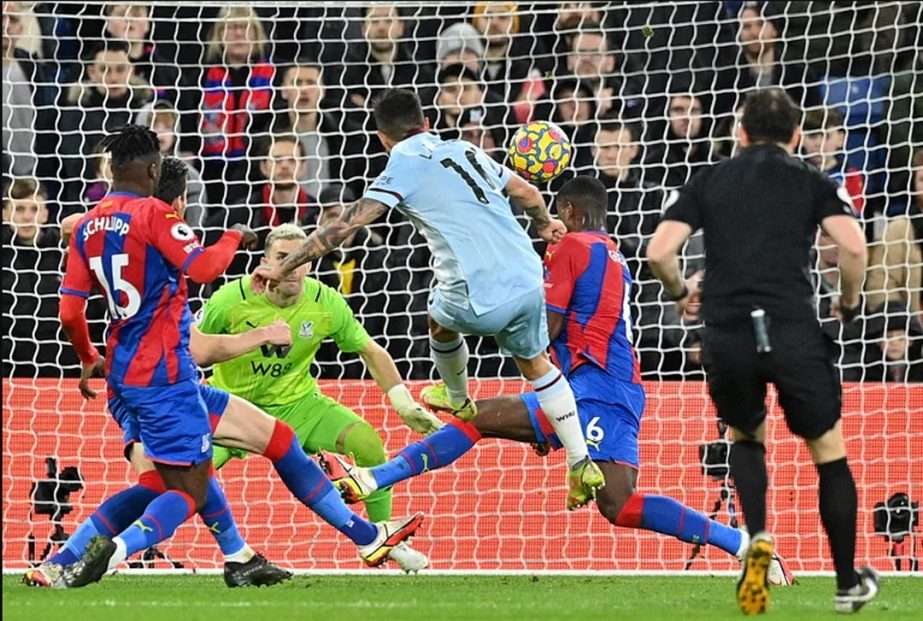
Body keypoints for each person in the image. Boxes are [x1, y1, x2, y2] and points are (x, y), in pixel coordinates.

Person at [323, 176, 791, 585]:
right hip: (607, 386)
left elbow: (547, 329)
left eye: (553, 213)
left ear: (568, 210)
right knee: (615, 502)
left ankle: (374, 477)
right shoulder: (611, 252)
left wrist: (484, 322)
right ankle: (743, 544)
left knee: (503, 431)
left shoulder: (572, 246)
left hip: (596, 387)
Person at [55, 128, 422, 588]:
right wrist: (234, 237)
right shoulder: (157, 219)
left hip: (137, 377)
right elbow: (205, 275)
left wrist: (87, 354)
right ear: (156, 175)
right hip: (164, 381)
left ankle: (317, 544)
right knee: (180, 489)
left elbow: (70, 309)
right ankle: (104, 555)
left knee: (275, 442)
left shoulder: (92, 224)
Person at [252, 88, 605, 511]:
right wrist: (545, 224)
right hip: (530, 280)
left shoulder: (401, 166)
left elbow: (343, 227)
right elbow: (529, 193)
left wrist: (285, 265)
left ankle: (456, 396)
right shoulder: (465, 149)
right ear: (427, 123)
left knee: (438, 318)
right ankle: (582, 460)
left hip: (478, 291)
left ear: (383, 139)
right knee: (537, 366)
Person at [645, 88, 878, 614]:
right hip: (794, 329)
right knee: (828, 453)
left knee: (746, 438)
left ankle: (756, 539)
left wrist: (683, 296)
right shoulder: (813, 180)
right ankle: (846, 583)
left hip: (728, 331)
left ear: (740, 132)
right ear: (796, 136)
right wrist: (846, 302)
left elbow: (659, 251)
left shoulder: (709, 180)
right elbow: (855, 246)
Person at [198, 221, 438, 568]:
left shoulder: (325, 302)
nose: (292, 267)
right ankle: (134, 544)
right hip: (232, 407)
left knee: (369, 443)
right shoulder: (229, 300)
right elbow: (190, 346)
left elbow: (370, 350)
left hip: (300, 406)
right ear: (265, 260)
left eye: (301, 258)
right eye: (283, 257)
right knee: (184, 472)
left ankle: (384, 539)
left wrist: (402, 401)